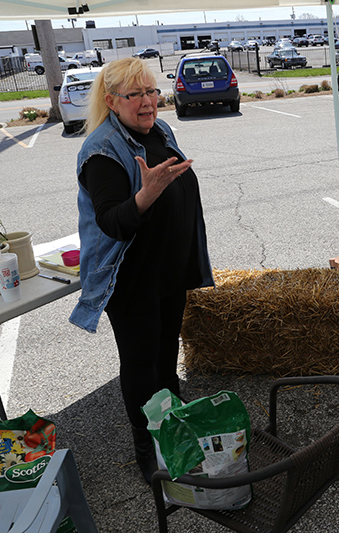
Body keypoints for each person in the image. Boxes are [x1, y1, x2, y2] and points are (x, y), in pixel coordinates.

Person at [68, 57, 214, 484]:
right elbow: (112, 220)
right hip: (131, 280)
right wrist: (146, 195)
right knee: (140, 364)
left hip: (168, 271)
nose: (149, 102)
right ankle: (145, 445)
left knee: (167, 358)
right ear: (113, 101)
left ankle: (174, 431)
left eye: (152, 91)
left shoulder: (159, 131)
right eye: (136, 95)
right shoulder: (100, 151)